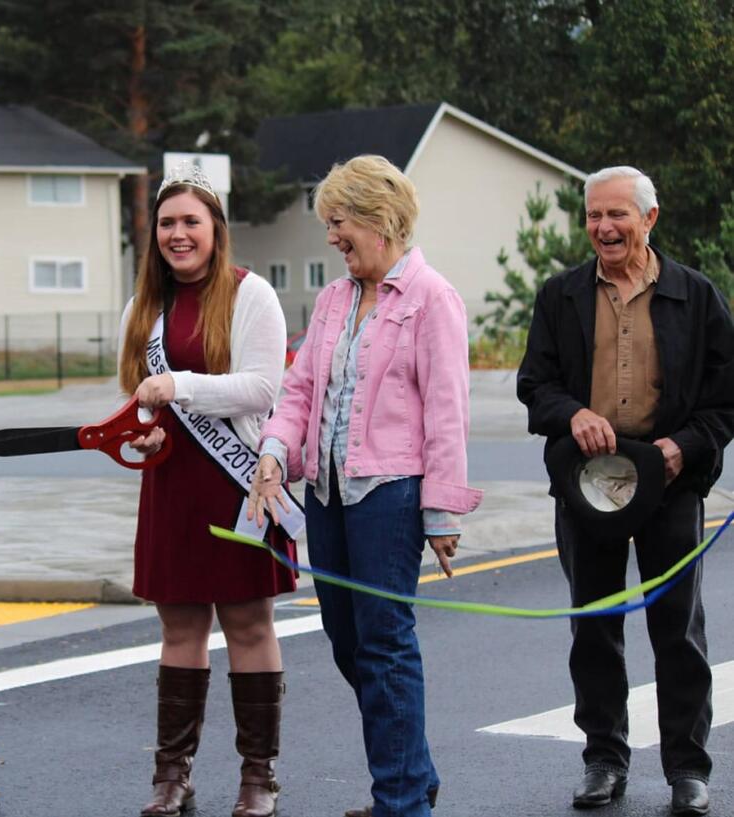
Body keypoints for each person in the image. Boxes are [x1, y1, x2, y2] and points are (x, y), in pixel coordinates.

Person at [250, 154, 482, 817]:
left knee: (384, 643)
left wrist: (441, 513)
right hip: (325, 494)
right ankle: (413, 772)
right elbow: (299, 392)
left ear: (380, 219)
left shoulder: (432, 298)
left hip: (390, 496)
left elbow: (447, 413)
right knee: (348, 642)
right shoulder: (333, 299)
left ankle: (402, 800)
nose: (331, 237)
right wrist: (273, 452)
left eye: (339, 222)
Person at [517, 166, 734, 816]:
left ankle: (687, 770)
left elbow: (726, 399)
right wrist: (571, 415)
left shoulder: (697, 297)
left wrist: (684, 446)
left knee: (678, 631)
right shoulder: (561, 295)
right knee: (594, 626)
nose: (604, 228)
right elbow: (536, 384)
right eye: (593, 216)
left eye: (617, 215)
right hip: (588, 485)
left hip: (669, 482)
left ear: (650, 218)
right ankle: (604, 759)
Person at [118, 162, 296, 817]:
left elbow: (262, 388)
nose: (177, 233)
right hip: (171, 485)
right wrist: (143, 435)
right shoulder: (144, 305)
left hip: (239, 482)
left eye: (190, 221)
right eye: (166, 222)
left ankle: (258, 776)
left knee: (249, 623)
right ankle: (172, 775)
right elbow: (137, 399)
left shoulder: (251, 295)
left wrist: (181, 385)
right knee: (179, 626)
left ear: (216, 229)